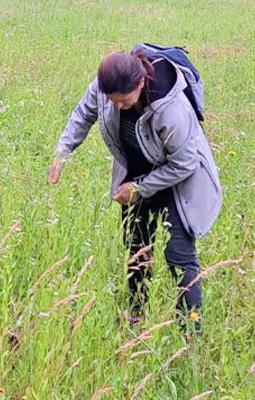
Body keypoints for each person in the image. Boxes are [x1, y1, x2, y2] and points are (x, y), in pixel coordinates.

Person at [48, 49, 222, 332]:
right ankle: (136, 318)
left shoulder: (170, 108)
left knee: (178, 254)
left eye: (124, 102)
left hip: (178, 180)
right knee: (136, 248)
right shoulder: (107, 89)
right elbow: (84, 113)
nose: (117, 107)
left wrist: (140, 189)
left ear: (140, 84)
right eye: (112, 101)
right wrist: (62, 151)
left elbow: (185, 162)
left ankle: (191, 333)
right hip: (136, 172)